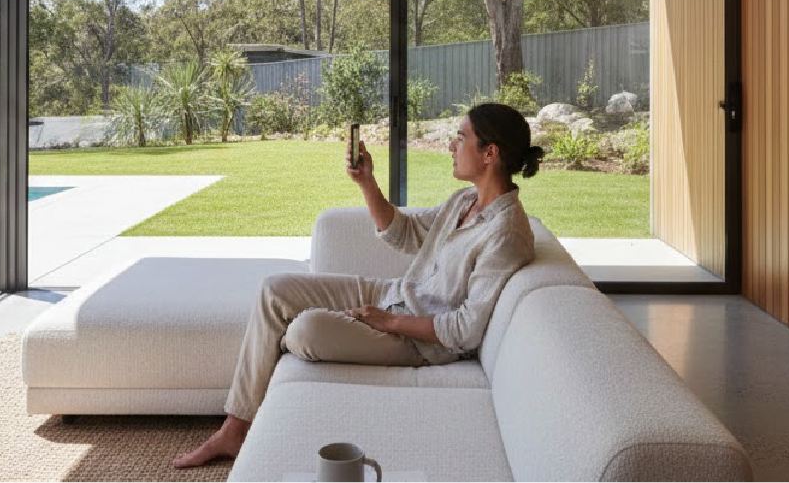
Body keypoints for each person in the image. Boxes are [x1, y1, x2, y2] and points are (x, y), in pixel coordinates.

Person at [172, 102, 544, 469]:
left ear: (489, 153)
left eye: (460, 138)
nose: (451, 146)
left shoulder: (506, 234)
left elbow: (464, 330)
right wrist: (366, 181)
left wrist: (387, 322)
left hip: (421, 341)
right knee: (275, 290)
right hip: (393, 293)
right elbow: (404, 234)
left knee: (305, 330)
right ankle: (235, 428)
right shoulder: (465, 200)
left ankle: (284, 353)